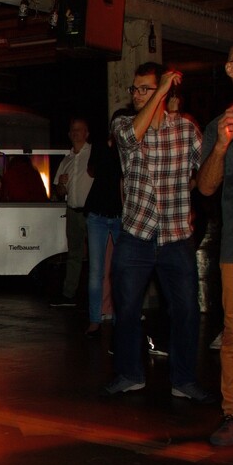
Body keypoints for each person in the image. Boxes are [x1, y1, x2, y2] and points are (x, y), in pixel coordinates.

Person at [103, 62, 213, 403]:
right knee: (127, 308)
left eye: (144, 89)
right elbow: (130, 138)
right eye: (134, 89)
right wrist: (160, 91)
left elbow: (207, 173)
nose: (136, 94)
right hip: (136, 234)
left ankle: (184, 380)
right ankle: (129, 374)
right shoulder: (124, 124)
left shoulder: (186, 129)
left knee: (186, 311)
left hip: (176, 236)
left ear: (162, 93)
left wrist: (198, 179)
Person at [198, 45, 233, 444]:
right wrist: (222, 146)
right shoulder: (219, 126)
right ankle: (232, 413)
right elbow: (206, 186)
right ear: (229, 69)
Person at [82, 114, 126, 336]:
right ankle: (94, 319)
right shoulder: (100, 145)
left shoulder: (128, 148)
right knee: (96, 270)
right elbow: (91, 170)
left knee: (121, 269)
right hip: (97, 212)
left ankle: (120, 320)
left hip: (119, 214)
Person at [49, 118, 93, 307]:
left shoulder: (93, 154)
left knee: (96, 255)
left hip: (92, 213)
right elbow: (60, 192)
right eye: (73, 130)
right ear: (69, 134)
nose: (76, 133)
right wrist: (61, 184)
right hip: (73, 212)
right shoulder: (66, 160)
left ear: (86, 133)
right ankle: (69, 294)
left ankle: (96, 297)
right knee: (74, 254)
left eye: (79, 129)